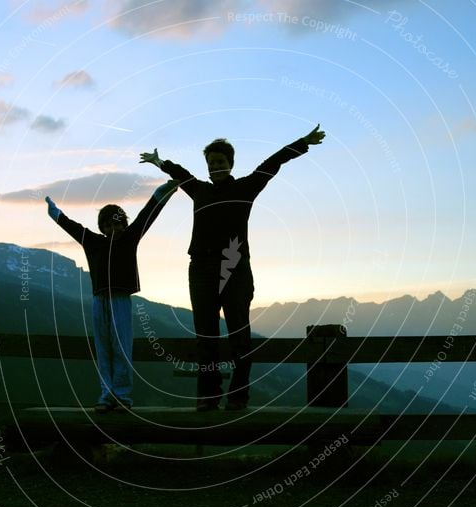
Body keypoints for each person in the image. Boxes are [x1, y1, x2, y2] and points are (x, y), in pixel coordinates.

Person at [140, 125, 325, 411]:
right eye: (211, 163)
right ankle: (208, 395)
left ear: (231, 164)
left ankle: (238, 396)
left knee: (239, 334)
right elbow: (181, 174)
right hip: (201, 268)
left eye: (221, 162)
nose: (216, 167)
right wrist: (159, 162)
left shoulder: (245, 188)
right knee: (206, 336)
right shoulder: (199, 189)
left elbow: (272, 164)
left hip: (235, 269)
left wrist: (303, 143)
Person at [45, 180, 179, 413]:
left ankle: (123, 396)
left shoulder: (130, 237)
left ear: (124, 224)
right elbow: (72, 227)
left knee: (121, 347)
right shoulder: (93, 242)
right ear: (101, 227)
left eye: (116, 224)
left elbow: (149, 213)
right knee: (103, 348)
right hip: (99, 301)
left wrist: (163, 192)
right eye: (107, 225)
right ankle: (106, 396)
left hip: (120, 300)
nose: (112, 229)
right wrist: (54, 213)